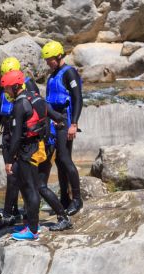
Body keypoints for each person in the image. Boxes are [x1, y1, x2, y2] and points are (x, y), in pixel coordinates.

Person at [0, 69, 71, 241]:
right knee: (33, 186)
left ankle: (32, 229)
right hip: (41, 147)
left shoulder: (19, 105)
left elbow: (16, 136)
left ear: (15, 87)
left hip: (27, 150)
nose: (5, 92)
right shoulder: (35, 97)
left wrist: (9, 160)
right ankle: (35, 221)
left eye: (7, 88)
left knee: (32, 188)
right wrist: (61, 125)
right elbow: (55, 116)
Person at [0, 56, 41, 230]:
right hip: (9, 136)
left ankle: (14, 214)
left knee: (19, 177)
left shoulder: (28, 86)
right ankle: (13, 213)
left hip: (23, 138)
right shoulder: (5, 89)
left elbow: (38, 109)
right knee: (12, 176)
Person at [43, 41, 85, 217]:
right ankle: (65, 199)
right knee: (59, 162)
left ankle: (77, 198)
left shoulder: (69, 73)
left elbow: (78, 98)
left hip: (65, 120)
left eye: (50, 59)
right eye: (47, 60)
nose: (48, 63)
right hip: (54, 121)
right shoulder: (53, 75)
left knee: (65, 159)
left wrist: (73, 124)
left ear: (59, 56)